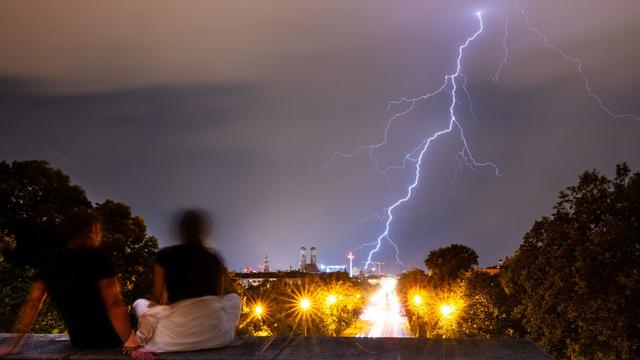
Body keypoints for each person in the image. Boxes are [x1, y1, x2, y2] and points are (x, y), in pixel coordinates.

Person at [0, 211, 150, 359]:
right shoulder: (99, 258)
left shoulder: (50, 260)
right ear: (92, 232)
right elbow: (114, 303)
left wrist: (11, 345)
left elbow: (33, 303)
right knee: (142, 304)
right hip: (112, 338)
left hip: (80, 340)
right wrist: (130, 343)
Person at [132, 209, 240, 353]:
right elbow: (217, 298)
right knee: (234, 299)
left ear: (181, 231)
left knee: (139, 304)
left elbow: (156, 298)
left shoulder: (165, 256)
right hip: (216, 335)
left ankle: (140, 339)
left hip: (175, 338)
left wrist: (163, 312)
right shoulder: (214, 258)